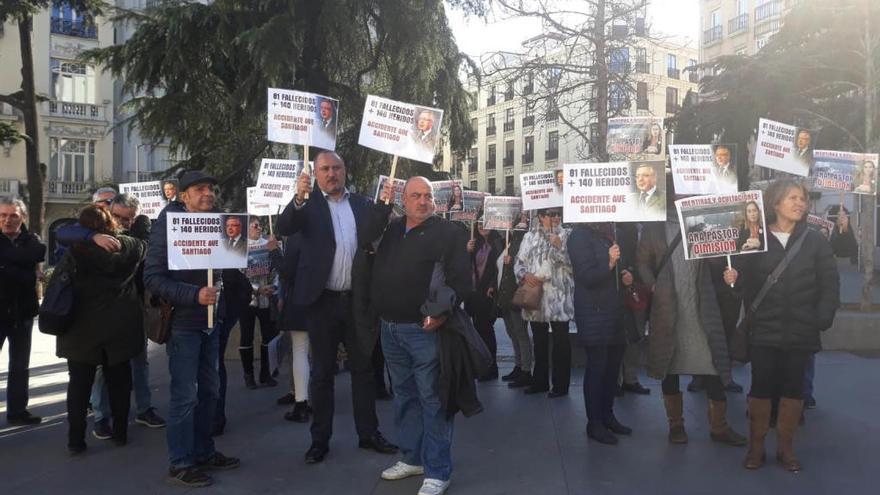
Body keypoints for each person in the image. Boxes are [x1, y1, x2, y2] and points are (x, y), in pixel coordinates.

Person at [277, 150, 397, 464]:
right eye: (325, 169)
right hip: (322, 302)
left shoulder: (360, 204)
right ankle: (320, 440)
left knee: (363, 370)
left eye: (337, 168)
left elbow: (371, 234)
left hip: (357, 302)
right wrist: (298, 198)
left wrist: (384, 205)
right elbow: (285, 226)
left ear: (344, 171)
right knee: (322, 374)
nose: (332, 173)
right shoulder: (308, 206)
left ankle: (368, 433)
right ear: (315, 174)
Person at [726, 179, 839, 472]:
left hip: (802, 331)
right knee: (761, 390)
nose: (800, 203)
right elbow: (745, 284)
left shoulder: (815, 240)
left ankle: (786, 449)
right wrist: (733, 280)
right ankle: (756, 448)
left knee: (794, 390)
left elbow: (830, 283)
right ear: (775, 203)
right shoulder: (757, 239)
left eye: (802, 198)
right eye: (792, 197)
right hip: (764, 330)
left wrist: (822, 318)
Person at [372, 177, 471, 495]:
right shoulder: (390, 229)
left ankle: (438, 470)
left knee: (432, 398)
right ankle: (412, 458)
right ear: (403, 198)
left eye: (428, 195)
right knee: (404, 395)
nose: (423, 201)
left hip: (424, 330)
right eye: (415, 195)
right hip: (390, 328)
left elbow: (460, 280)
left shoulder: (448, 233)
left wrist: (439, 313)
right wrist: (381, 207)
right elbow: (363, 240)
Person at [144, 170, 241, 487]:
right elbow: (153, 279)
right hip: (185, 324)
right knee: (185, 396)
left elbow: (225, 266)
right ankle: (181, 462)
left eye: (211, 189)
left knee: (210, 392)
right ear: (183, 195)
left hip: (213, 323)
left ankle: (203, 451)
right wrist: (194, 295)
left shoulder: (218, 221)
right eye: (199, 189)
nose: (208, 194)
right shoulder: (167, 225)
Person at [636, 189, 746, 448]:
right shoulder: (654, 227)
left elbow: (718, 259)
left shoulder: (703, 219)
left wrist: (729, 268)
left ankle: (719, 426)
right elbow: (641, 261)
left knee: (713, 364)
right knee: (669, 365)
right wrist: (653, 285)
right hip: (667, 308)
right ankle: (676, 425)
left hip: (701, 307)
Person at [58, 204, 146, 454]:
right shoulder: (128, 247)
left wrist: (88, 236)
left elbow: (62, 233)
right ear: (111, 224)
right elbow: (144, 243)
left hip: (79, 330)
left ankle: (75, 441)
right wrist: (142, 224)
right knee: (119, 383)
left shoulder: (75, 249)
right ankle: (120, 433)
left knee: (78, 386)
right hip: (118, 329)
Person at [87, 194, 166, 441]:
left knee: (139, 360)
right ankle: (101, 416)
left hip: (135, 307)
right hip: (105, 311)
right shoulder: (95, 236)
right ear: (109, 213)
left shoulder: (139, 236)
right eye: (118, 216)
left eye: (128, 218)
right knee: (103, 365)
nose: (123, 222)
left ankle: (144, 408)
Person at [568, 223, 631, 445]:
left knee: (612, 367)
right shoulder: (579, 236)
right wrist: (610, 262)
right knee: (598, 366)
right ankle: (594, 422)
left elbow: (621, 267)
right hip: (594, 311)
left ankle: (607, 415)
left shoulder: (613, 231)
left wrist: (625, 274)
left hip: (614, 311)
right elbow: (586, 276)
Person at [514, 207, 574, 397]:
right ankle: (539, 382)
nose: (556, 218)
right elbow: (519, 262)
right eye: (551, 214)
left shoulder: (568, 235)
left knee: (561, 343)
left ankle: (561, 386)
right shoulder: (529, 237)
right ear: (540, 217)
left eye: (558, 214)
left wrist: (559, 247)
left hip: (560, 299)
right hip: (536, 298)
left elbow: (574, 265)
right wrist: (525, 275)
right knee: (539, 342)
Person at [0, 196, 46, 426]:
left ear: (23, 218)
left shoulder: (31, 239)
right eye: (3, 215)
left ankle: (17, 411)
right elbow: (26, 263)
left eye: (13, 216)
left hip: (22, 313)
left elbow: (38, 253)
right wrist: (27, 273)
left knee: (20, 365)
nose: (7, 220)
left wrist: (7, 264)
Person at [238, 218, 281, 389]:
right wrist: (256, 288)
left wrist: (274, 286)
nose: (259, 228)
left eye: (260, 225)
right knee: (246, 336)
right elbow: (240, 274)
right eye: (255, 226)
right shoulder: (240, 247)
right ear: (247, 229)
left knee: (268, 336)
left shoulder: (269, 243)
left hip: (267, 297)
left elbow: (278, 266)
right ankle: (248, 375)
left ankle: (266, 373)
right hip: (247, 299)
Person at [276, 233, 312, 422]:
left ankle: (301, 402)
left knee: (299, 350)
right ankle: (315, 400)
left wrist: (274, 252)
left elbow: (286, 271)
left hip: (300, 299)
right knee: (317, 354)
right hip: (324, 299)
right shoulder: (327, 231)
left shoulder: (297, 237)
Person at [494, 229, 534, 388]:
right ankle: (518, 366)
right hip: (504, 295)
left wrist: (511, 264)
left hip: (515, 295)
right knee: (512, 333)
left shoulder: (521, 242)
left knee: (521, 333)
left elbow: (523, 268)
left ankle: (525, 369)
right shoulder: (506, 243)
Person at [465, 223, 502, 381]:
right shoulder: (473, 242)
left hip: (487, 293)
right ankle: (481, 366)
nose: (482, 226)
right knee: (478, 330)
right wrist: (467, 251)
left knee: (486, 330)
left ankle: (491, 368)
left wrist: (493, 285)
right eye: (479, 222)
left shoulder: (498, 243)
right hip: (473, 293)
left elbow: (499, 268)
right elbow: (466, 266)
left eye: (486, 222)